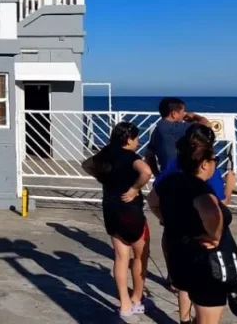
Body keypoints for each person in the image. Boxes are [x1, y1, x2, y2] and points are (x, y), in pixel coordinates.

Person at [148, 126, 237, 324]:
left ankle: (184, 319)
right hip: (205, 259)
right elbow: (215, 209)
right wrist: (229, 188)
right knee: (208, 316)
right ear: (204, 163)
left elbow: (152, 200)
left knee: (185, 288)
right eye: (214, 159)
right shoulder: (200, 187)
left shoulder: (172, 174)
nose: (215, 163)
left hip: (178, 247)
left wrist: (168, 219)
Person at [82, 121, 153, 322]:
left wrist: (103, 178)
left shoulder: (105, 153)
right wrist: (135, 189)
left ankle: (124, 304)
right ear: (128, 139)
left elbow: (86, 164)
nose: (138, 142)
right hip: (130, 211)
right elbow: (146, 172)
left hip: (110, 208)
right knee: (140, 256)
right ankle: (137, 298)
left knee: (121, 257)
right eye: (137, 138)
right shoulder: (131, 156)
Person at [146, 97, 211, 176]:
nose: (184, 114)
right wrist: (195, 116)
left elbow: (149, 155)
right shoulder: (175, 128)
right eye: (182, 112)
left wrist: (157, 174)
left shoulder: (157, 130)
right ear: (174, 114)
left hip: (165, 175)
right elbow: (206, 124)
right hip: (178, 176)